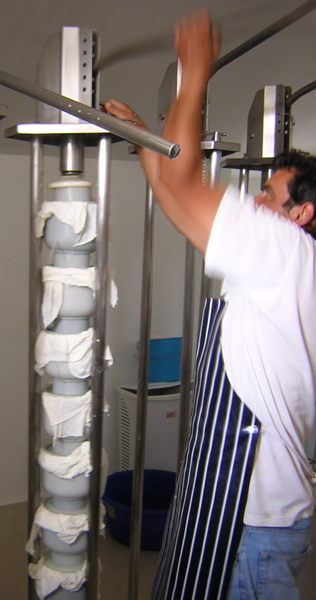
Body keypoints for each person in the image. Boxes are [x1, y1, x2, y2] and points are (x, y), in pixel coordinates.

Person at [104, 9, 316, 600]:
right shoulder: (291, 267)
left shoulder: (288, 253)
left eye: (269, 194)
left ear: (302, 213)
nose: (256, 201)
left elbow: (183, 186)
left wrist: (195, 71)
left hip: (256, 525)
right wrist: (143, 137)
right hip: (229, 501)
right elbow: (178, 199)